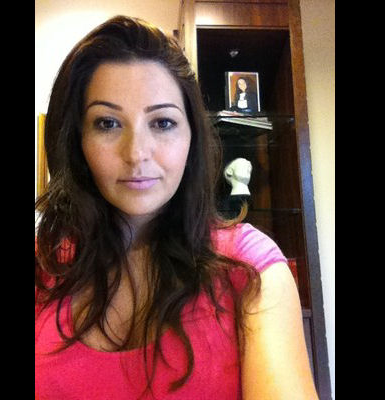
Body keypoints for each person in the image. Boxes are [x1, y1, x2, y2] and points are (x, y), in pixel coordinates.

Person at [35, 15, 318, 400]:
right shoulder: (44, 267)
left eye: (163, 123)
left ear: (192, 137)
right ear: (77, 141)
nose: (137, 153)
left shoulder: (251, 270)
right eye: (107, 123)